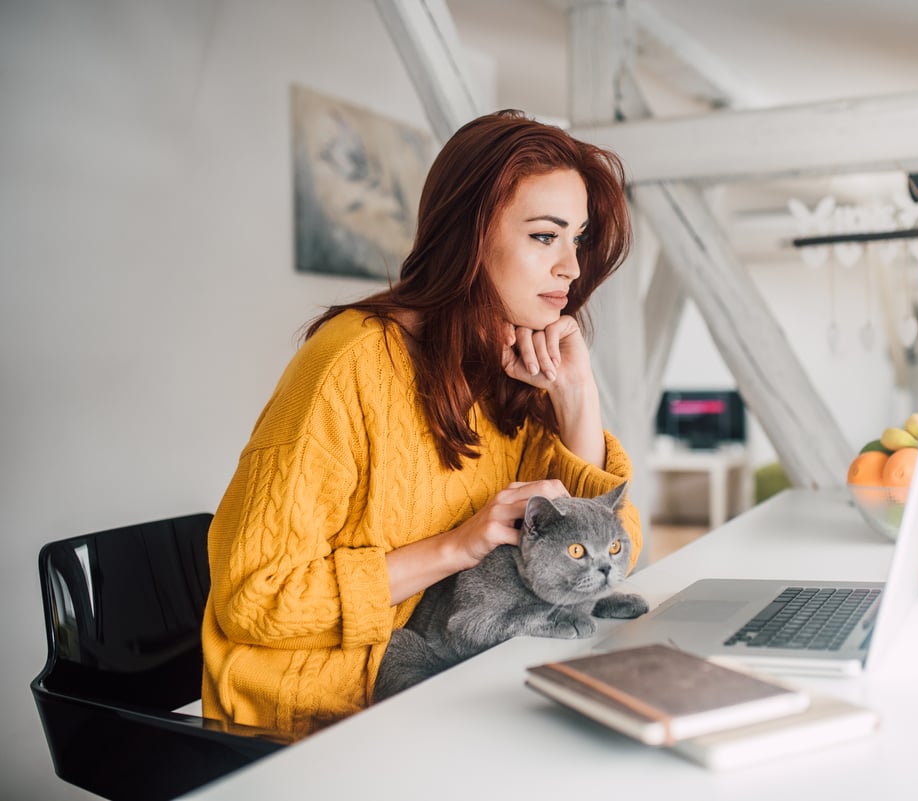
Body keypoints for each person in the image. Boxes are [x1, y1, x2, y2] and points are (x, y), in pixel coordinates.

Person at [201, 109, 642, 737]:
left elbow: (610, 553)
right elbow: (258, 599)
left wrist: (578, 396)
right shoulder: (346, 364)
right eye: (546, 237)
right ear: (469, 236)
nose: (571, 268)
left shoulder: (510, 365)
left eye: (579, 239)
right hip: (317, 711)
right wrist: (455, 546)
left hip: (449, 669)